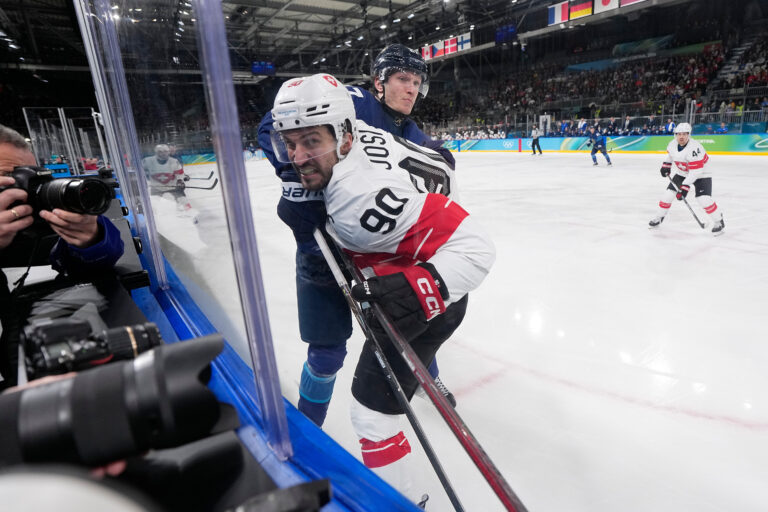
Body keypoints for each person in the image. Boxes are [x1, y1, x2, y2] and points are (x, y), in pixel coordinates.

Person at [269, 73, 494, 504]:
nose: (297, 157)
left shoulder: (358, 204)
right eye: (289, 144)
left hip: (434, 283)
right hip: (420, 251)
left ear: (344, 135)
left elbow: (475, 248)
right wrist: (295, 178)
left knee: (372, 417)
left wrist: (408, 293)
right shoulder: (351, 125)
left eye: (311, 142)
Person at [257, 45, 456, 427]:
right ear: (379, 82)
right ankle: (309, 426)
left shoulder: (410, 131)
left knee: (410, 323)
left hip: (377, 252)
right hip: (322, 250)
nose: (411, 89)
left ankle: (426, 377)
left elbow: (438, 158)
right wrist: (296, 172)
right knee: (327, 353)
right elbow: (273, 124)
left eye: (417, 82)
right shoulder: (352, 101)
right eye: (402, 79)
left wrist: (439, 160)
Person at [0, 124, 124, 389]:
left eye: (30, 175)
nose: (25, 188)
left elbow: (96, 258)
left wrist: (90, 238)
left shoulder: (30, 221)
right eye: (7, 178)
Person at [648, 122, 725, 235]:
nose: (681, 137)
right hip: (682, 173)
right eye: (679, 134)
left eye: (684, 134)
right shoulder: (672, 144)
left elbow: (696, 171)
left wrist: (685, 187)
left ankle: (718, 220)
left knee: (703, 199)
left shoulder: (695, 148)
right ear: (675, 135)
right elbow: (671, 155)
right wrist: (666, 165)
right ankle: (659, 217)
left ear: (689, 135)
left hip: (702, 174)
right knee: (667, 195)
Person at [141, 144, 191, 212]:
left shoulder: (174, 161)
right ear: (156, 152)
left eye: (165, 151)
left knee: (183, 199)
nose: (163, 154)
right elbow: (140, 171)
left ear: (168, 152)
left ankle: (190, 211)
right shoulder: (147, 161)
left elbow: (179, 173)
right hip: (156, 187)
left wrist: (180, 181)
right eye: (160, 152)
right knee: (153, 203)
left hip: (173, 186)